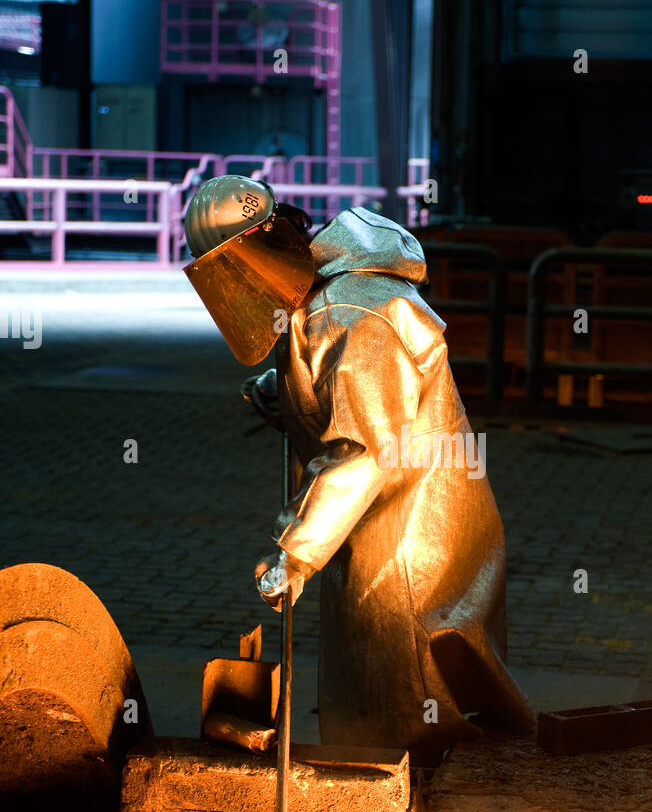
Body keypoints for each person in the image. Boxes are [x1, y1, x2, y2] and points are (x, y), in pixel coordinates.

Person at [184, 175, 533, 762]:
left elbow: (363, 449)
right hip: (378, 520)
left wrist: (293, 554)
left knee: (408, 677)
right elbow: (340, 384)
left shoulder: (356, 310)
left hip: (409, 533)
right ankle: (391, 787)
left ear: (268, 246)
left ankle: (431, 802)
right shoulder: (325, 294)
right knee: (376, 677)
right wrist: (285, 393)